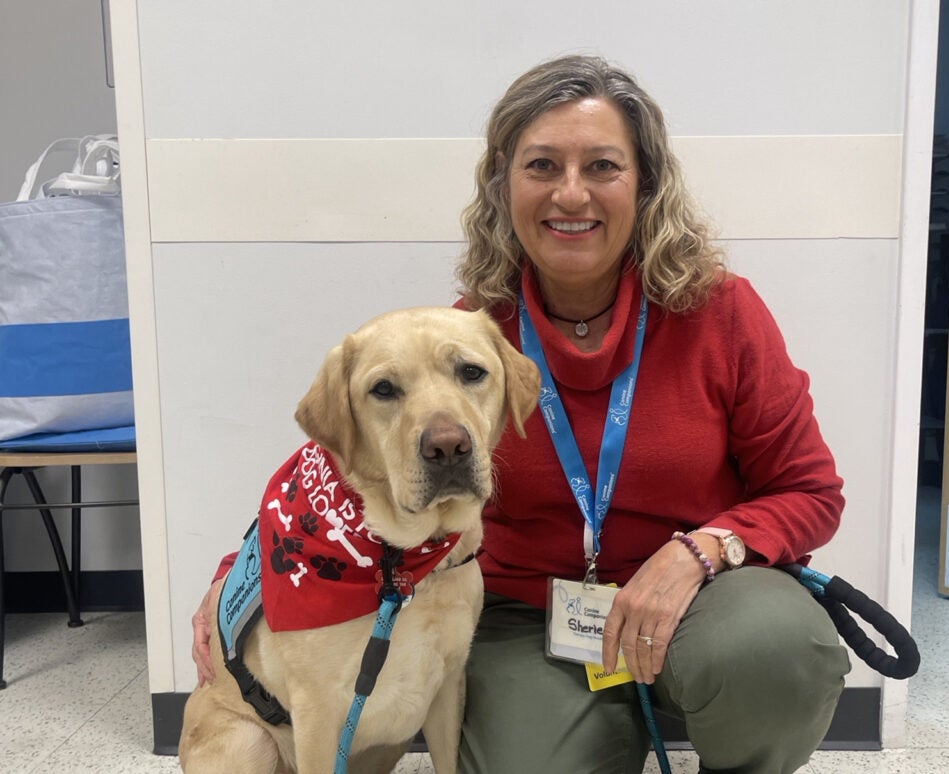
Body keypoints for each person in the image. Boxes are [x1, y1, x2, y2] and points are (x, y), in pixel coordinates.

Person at [193, 55, 851, 774]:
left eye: (602, 165)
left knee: (778, 651)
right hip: (525, 617)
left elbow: (811, 493)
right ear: (504, 184)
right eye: (542, 166)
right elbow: (350, 465)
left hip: (700, 600)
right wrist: (243, 578)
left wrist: (702, 550)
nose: (572, 194)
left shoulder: (721, 314)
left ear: (646, 183)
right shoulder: (463, 341)